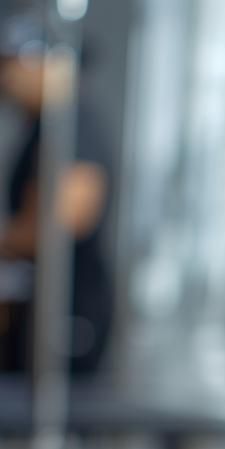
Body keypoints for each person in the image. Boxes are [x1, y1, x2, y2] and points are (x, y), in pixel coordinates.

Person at [0, 8, 113, 377]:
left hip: (70, 315)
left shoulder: (75, 126)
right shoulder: (42, 127)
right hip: (40, 312)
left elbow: (60, 224)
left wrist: (9, 239)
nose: (6, 79)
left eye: (12, 65)